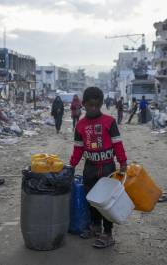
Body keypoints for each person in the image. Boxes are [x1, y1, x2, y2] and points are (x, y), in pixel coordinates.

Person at [70, 87, 128, 249]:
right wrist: (72, 165)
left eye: (97, 105)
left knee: (106, 202)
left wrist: (123, 162)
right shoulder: (80, 125)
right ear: (84, 104)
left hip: (108, 167)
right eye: (90, 106)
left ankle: (108, 233)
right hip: (90, 168)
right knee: (92, 199)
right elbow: (78, 148)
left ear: (101, 104)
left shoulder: (109, 122)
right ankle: (95, 226)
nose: (93, 109)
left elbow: (117, 143)